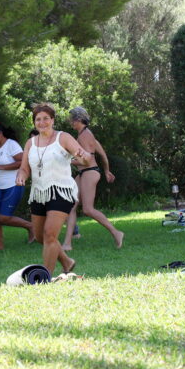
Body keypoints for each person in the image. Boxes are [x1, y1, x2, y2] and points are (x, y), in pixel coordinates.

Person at [17, 104, 92, 276]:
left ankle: (45, 277)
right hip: (38, 193)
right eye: (38, 119)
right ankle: (66, 261)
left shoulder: (63, 137)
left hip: (61, 191)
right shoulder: (30, 143)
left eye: (45, 118)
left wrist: (84, 156)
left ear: (52, 120)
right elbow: (24, 168)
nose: (42, 122)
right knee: (40, 236)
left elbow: (85, 159)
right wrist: (21, 176)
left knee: (50, 234)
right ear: (34, 122)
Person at [62, 107, 124, 251]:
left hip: (89, 172)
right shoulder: (87, 135)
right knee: (70, 204)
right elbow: (102, 154)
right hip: (86, 172)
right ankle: (67, 243)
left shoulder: (84, 135)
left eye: (72, 120)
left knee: (88, 209)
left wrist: (68, 161)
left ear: (78, 120)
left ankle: (116, 233)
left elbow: (87, 161)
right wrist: (107, 171)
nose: (71, 123)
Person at [0, 122, 34, 249]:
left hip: (13, 185)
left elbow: (23, 161)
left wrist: (1, 167)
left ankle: (31, 227)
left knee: (4, 217)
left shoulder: (11, 144)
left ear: (0, 133)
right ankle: (0, 247)